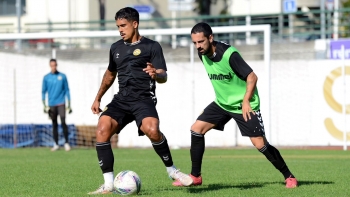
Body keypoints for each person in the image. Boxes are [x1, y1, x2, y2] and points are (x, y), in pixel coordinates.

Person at [172, 22, 298, 188]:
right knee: (196, 129)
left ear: (210, 38)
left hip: (245, 104)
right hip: (223, 103)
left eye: (201, 42)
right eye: (194, 43)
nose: (198, 46)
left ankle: (289, 176)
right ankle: (195, 177)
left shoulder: (229, 54)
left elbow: (252, 77)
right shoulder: (202, 54)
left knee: (259, 143)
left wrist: (246, 101)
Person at [88, 7, 192, 195]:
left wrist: (156, 73)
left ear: (135, 24)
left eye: (123, 25)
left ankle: (172, 170)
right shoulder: (115, 48)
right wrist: (98, 98)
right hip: (121, 100)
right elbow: (110, 73)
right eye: (118, 26)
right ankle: (108, 184)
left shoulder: (152, 46)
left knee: (152, 130)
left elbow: (163, 74)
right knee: (102, 128)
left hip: (143, 99)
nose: (120, 30)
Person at [42, 59, 72, 152]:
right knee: (54, 124)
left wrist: (69, 104)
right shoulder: (46, 77)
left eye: (55, 65)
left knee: (63, 121)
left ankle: (66, 143)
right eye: (52, 65)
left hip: (61, 103)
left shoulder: (62, 76)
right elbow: (43, 92)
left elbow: (67, 90)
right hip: (51, 104)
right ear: (50, 66)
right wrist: (44, 105)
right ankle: (56, 144)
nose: (53, 67)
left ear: (57, 65)